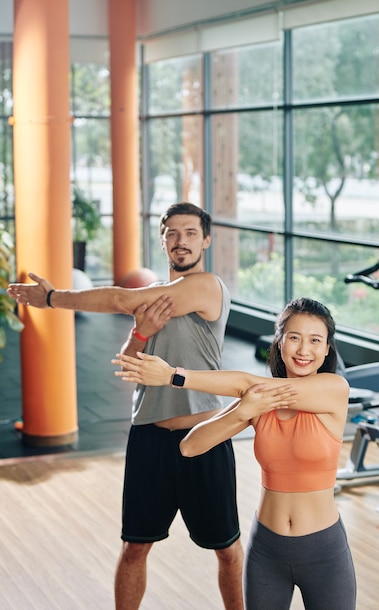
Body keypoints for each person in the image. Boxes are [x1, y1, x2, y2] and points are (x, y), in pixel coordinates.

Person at [8, 202, 244, 610]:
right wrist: (142, 331)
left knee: (226, 550)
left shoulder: (206, 286)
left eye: (190, 233)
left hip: (204, 437)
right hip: (150, 437)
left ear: (206, 239)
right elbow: (129, 360)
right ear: (163, 241)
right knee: (135, 547)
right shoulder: (152, 302)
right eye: (172, 233)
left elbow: (120, 298)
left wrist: (52, 299)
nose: (181, 241)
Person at [112, 297, 357, 610]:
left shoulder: (334, 390)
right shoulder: (257, 400)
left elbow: (247, 384)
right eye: (294, 338)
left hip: (323, 550)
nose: (304, 350)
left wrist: (173, 375)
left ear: (326, 350)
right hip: (267, 550)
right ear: (279, 342)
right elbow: (190, 446)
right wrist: (244, 413)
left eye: (315, 340)